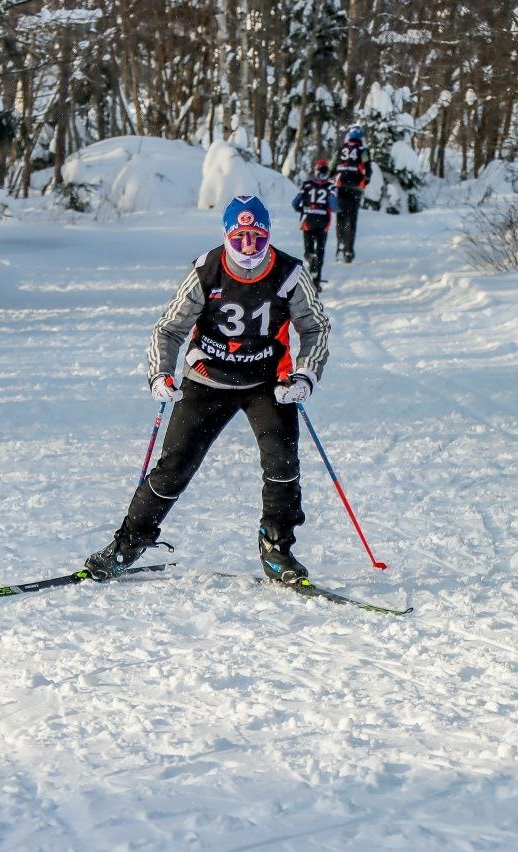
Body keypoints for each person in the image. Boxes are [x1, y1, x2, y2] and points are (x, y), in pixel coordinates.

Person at [85, 195, 332, 585]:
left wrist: (304, 376)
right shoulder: (206, 270)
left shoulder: (289, 272)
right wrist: (160, 375)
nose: (248, 247)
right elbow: (169, 329)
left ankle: (277, 551)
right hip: (207, 379)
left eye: (256, 237)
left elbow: (315, 327)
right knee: (174, 469)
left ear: (268, 234)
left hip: (268, 383)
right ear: (227, 235)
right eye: (240, 237)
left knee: (282, 466)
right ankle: (127, 544)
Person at [291, 158, 337, 290]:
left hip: (308, 219)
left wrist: (302, 209)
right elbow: (334, 207)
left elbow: (295, 203)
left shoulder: (306, 185)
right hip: (323, 221)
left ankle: (310, 256)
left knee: (308, 250)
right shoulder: (330, 186)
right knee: (321, 250)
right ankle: (316, 282)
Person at [331, 124, 371, 262]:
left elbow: (333, 165)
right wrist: (365, 181)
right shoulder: (363, 150)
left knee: (340, 218)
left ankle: (339, 247)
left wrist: (332, 179)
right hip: (355, 187)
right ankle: (348, 251)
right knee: (351, 220)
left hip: (341, 186)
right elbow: (368, 168)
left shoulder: (342, 148)